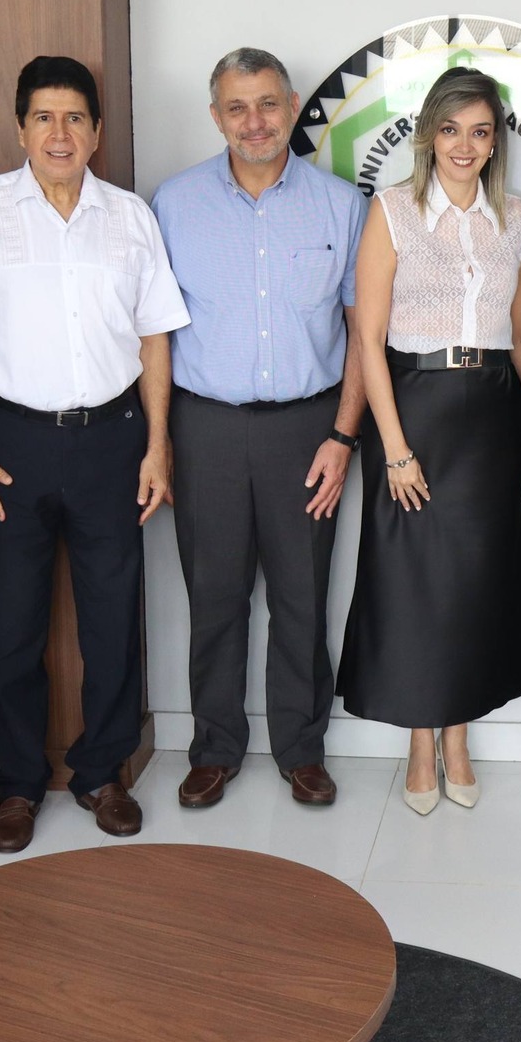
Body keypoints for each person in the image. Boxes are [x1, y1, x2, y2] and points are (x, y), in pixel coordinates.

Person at [0, 56, 190, 853]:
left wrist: (157, 444)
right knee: (8, 623)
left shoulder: (130, 217)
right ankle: (15, 781)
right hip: (9, 442)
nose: (60, 133)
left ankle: (102, 771)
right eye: (43, 117)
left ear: (98, 131)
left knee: (113, 619)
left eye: (75, 117)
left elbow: (153, 338)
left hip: (111, 437)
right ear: (20, 128)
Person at [154, 48, 367, 809]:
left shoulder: (342, 206)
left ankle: (301, 749)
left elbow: (361, 336)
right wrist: (161, 441)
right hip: (205, 425)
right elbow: (152, 334)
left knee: (303, 594)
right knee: (213, 595)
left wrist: (342, 439)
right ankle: (214, 747)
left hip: (309, 428)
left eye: (268, 104)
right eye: (237, 108)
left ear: (293, 103)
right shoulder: (171, 205)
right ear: (216, 116)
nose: (255, 122)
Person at [338, 67, 521, 813]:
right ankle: (420, 742)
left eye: (480, 131)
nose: (465, 144)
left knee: (473, 585)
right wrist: (392, 446)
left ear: (496, 141)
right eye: (452, 129)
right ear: (429, 133)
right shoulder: (393, 210)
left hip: (491, 413)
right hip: (413, 407)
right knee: (412, 584)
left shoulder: (515, 214)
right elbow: (366, 336)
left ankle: (458, 734)